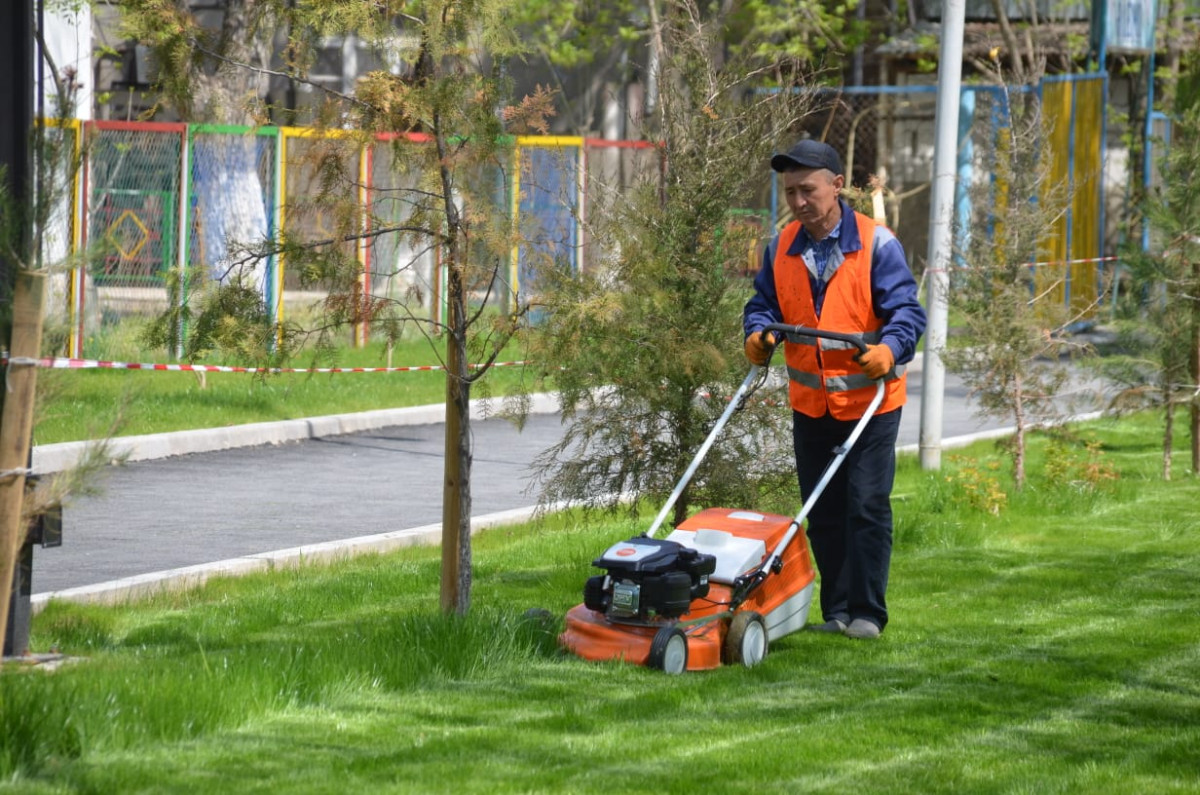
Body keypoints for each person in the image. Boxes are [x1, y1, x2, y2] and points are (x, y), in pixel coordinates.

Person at [743, 140, 926, 640]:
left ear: (836, 185)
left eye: (807, 190)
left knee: (865, 505)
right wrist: (757, 335)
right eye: (790, 192)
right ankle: (837, 612)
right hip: (811, 403)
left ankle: (868, 614)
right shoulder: (781, 246)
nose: (799, 202)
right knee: (822, 511)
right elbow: (762, 304)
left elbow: (907, 312)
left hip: (870, 402)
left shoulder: (876, 243)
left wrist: (890, 349)